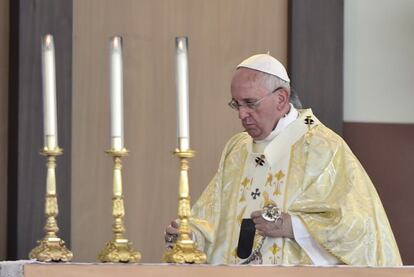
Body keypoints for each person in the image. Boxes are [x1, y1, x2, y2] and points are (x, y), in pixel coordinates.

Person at [165, 54, 402, 266]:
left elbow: (360, 228)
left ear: (281, 99)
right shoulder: (237, 149)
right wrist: (189, 234)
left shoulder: (323, 147)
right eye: (236, 104)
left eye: (250, 103)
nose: (242, 114)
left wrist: (295, 227)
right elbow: (214, 216)